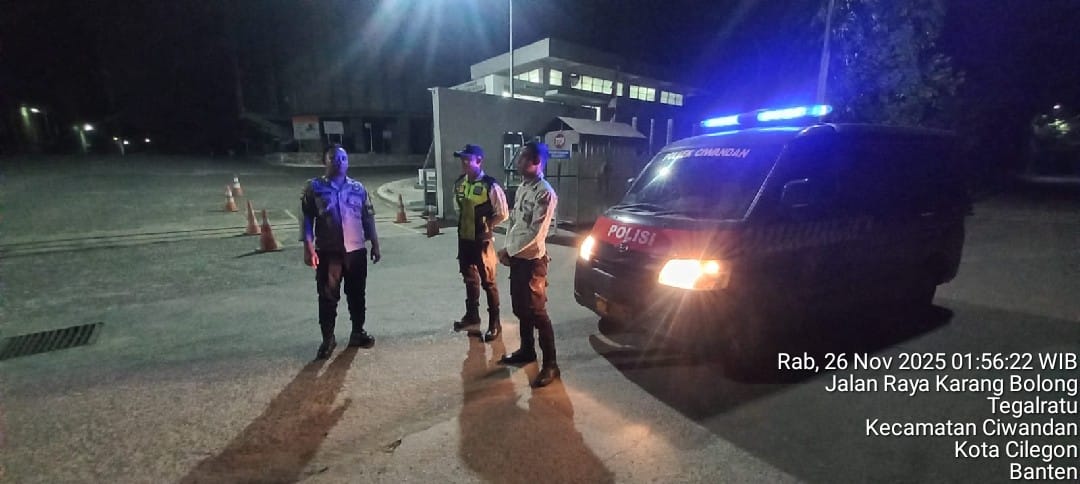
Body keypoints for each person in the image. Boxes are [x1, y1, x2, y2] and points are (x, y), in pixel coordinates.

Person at [300, 144, 382, 360]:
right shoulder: (314, 188)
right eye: (334, 158)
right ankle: (328, 339)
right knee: (328, 298)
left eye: (343, 158)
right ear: (324, 161)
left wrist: (375, 243)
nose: (339, 162)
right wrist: (308, 247)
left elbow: (368, 217)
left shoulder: (358, 188)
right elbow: (306, 219)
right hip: (328, 252)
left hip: (356, 251)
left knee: (357, 295)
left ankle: (358, 332)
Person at [497, 141, 561, 388]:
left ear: (537, 162)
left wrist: (509, 251)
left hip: (533, 262)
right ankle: (527, 350)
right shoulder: (523, 187)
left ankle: (551, 365)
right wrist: (509, 249)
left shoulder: (545, 193)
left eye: (524, 158)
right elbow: (515, 223)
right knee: (521, 308)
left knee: (537, 312)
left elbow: (536, 232)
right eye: (519, 157)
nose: (518, 162)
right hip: (517, 259)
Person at [451, 144, 509, 342]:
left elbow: (503, 212)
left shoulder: (490, 185)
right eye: (462, 159)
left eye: (468, 159)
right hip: (464, 239)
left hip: (482, 242)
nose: (464, 163)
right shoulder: (459, 183)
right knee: (469, 279)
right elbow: (458, 209)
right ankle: (472, 316)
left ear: (479, 161)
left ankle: (495, 323)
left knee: (488, 282)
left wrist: (488, 225)